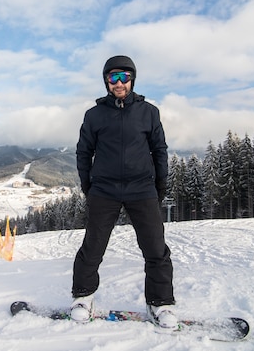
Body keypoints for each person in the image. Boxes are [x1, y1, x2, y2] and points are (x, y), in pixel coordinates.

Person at [71, 55, 176, 329]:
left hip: (142, 189)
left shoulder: (149, 112)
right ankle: (83, 298)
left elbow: (159, 150)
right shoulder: (94, 115)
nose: (119, 83)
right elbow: (84, 151)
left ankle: (160, 303)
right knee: (93, 247)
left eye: (124, 77)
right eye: (113, 77)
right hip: (104, 190)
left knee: (155, 248)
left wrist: (160, 184)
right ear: (106, 81)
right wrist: (87, 185)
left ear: (132, 80)